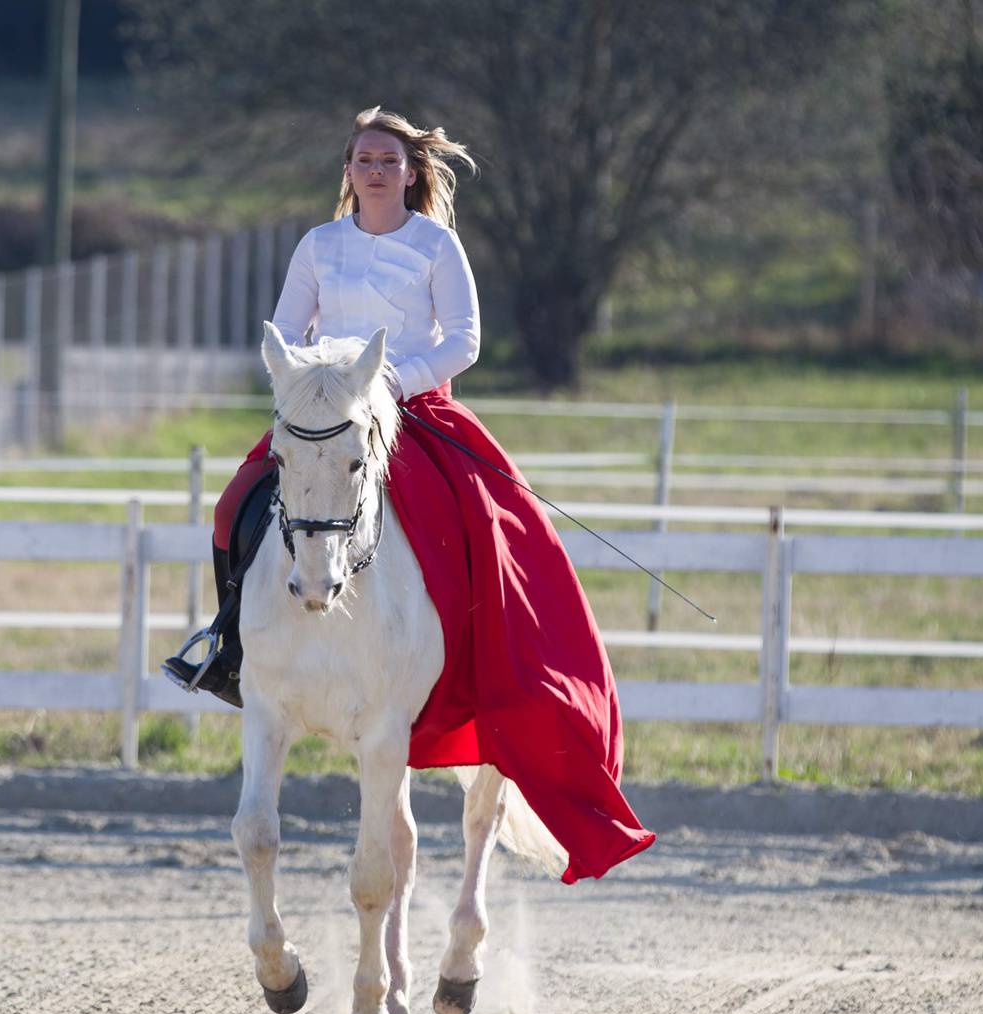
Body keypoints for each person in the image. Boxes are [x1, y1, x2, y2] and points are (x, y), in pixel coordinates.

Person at [170, 106, 653, 881]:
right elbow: (288, 333)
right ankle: (230, 649)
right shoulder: (318, 245)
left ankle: (484, 652)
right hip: (326, 414)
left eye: (388, 160)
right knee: (234, 508)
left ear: (411, 172)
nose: (374, 170)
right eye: (363, 158)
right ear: (349, 170)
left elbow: (465, 340)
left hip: (413, 408)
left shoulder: (435, 243)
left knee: (482, 523)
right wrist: (309, 384)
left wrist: (393, 382)